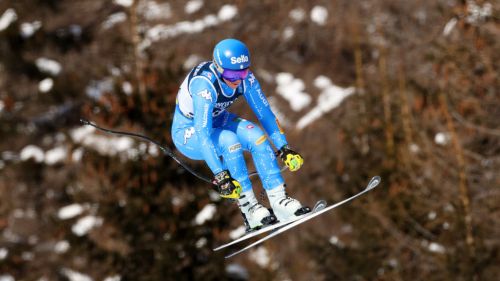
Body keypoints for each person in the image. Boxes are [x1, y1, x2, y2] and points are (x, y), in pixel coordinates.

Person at [171, 38, 310, 231]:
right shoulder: (204, 86)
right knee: (229, 140)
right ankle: (250, 209)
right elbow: (203, 134)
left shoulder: (246, 79)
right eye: (230, 73)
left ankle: (279, 202)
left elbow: (266, 114)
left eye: (242, 72)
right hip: (189, 132)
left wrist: (284, 147)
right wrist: (221, 176)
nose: (236, 79)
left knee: (257, 137)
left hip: (218, 119)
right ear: (218, 68)